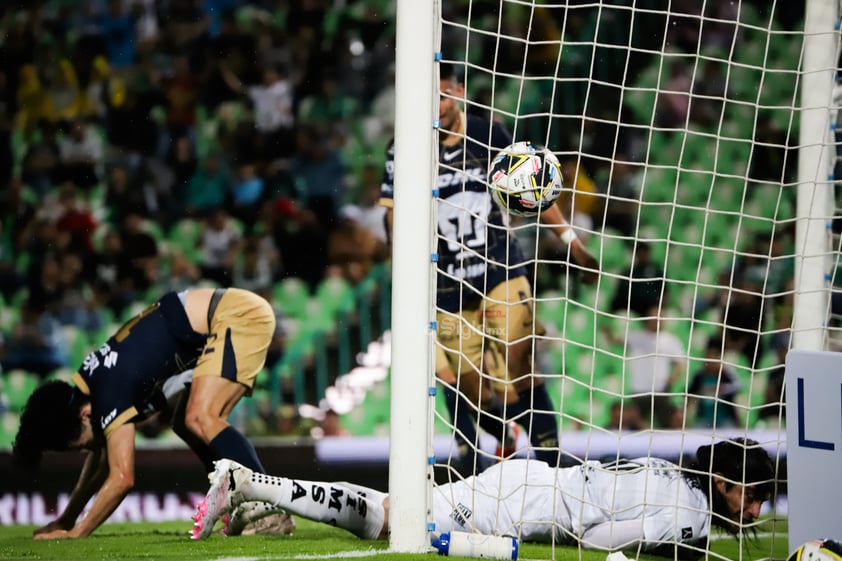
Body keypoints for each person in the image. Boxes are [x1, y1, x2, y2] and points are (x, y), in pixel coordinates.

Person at [380, 63, 599, 467]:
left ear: (459, 92)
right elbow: (392, 214)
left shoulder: (489, 134)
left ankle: (552, 459)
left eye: (443, 95)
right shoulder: (404, 147)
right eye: (430, 97)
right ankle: (504, 441)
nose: (437, 105)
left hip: (500, 270)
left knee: (518, 359)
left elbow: (529, 190)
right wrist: (403, 264)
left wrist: (572, 244)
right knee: (475, 392)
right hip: (446, 287)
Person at [191, 437, 775, 559]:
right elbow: (601, 539)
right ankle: (244, 481)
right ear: (726, 485)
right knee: (390, 520)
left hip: (533, 483)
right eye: (752, 496)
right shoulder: (691, 516)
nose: (757, 510)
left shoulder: (675, 481)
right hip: (531, 506)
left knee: (391, 509)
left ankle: (258, 494)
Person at [12, 286, 276, 539]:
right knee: (187, 423)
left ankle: (267, 509)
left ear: (84, 415)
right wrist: (67, 519)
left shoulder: (108, 390)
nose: (91, 449)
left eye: (83, 444)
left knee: (200, 417)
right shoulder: (96, 385)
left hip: (237, 315)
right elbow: (102, 460)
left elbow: (122, 477)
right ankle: (243, 502)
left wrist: (77, 532)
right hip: (223, 319)